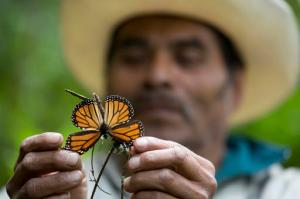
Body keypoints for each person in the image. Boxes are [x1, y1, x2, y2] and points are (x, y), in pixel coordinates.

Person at [2, 0, 300, 198]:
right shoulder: (46, 186)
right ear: (106, 84)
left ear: (234, 88)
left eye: (188, 58)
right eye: (133, 58)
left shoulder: (287, 191)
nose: (158, 76)